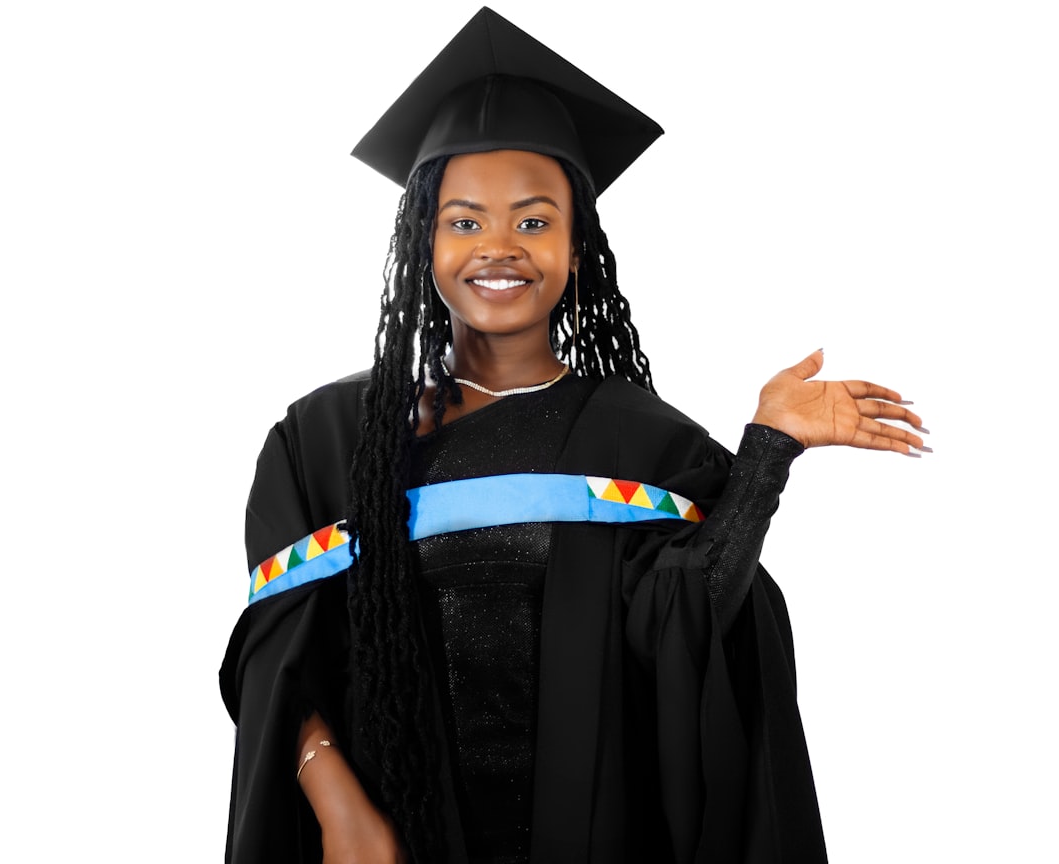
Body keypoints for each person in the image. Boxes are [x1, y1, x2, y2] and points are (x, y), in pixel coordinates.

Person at [219, 8, 928, 864]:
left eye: (533, 221)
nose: (499, 248)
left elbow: (694, 624)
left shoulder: (641, 444)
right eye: (464, 221)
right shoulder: (326, 438)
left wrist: (768, 452)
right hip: (393, 840)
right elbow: (277, 654)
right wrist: (340, 809)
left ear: (577, 245)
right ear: (422, 242)